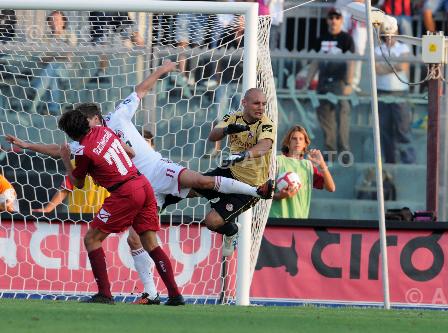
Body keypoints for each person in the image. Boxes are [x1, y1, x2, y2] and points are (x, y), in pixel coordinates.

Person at [6, 60, 273, 305]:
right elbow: (65, 148)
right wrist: (29, 145)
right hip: (142, 186)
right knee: (138, 240)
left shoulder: (115, 119)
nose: (85, 127)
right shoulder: (90, 139)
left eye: (86, 122)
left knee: (199, 182)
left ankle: (254, 192)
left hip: (153, 173)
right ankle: (156, 293)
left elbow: (140, 91)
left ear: (96, 118)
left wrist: (161, 70)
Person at [57, 109, 181, 305]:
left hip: (125, 193)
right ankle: (175, 296)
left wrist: (65, 158)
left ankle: (104, 294)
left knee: (92, 239)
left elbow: (78, 183)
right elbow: (130, 152)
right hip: (143, 183)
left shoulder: (84, 151)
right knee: (150, 243)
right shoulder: (103, 131)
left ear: (71, 134)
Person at [183, 88, 275, 256]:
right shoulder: (233, 117)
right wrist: (226, 130)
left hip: (249, 187)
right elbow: (212, 136)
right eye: (256, 103)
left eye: (263, 104)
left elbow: (265, 146)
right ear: (244, 103)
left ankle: (231, 231)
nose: (261, 108)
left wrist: (242, 156)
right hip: (228, 172)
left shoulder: (266, 124)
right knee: (186, 189)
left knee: (211, 222)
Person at [305, 8, 355, 155]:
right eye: (331, 17)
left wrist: (349, 83)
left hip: (339, 82)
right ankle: (330, 151)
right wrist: (308, 82)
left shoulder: (346, 39)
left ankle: (343, 150)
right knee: (325, 118)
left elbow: (352, 62)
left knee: (342, 114)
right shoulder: (321, 39)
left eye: (337, 17)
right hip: (323, 83)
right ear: (327, 20)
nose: (334, 20)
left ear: (341, 20)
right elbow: (315, 62)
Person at [269, 125, 335, 219]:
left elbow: (331, 188)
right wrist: (279, 196)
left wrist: (322, 164)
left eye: (301, 139)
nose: (298, 142)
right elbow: (260, 193)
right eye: (294, 139)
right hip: (276, 219)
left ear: (305, 144)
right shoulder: (276, 162)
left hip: (299, 221)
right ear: (288, 142)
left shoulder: (308, 167)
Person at [375, 33, 415, 164]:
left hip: (400, 93)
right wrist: (394, 65)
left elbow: (403, 66)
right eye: (386, 33)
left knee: (402, 129)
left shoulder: (403, 48)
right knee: (385, 130)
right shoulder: (377, 49)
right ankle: (390, 162)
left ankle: (408, 161)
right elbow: (376, 69)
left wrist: (385, 65)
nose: (389, 36)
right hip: (382, 92)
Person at [31, 10, 77, 114]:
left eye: (57, 19)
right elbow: (41, 58)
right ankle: (53, 109)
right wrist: (57, 56)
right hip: (51, 72)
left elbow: (68, 56)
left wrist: (52, 56)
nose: (54, 22)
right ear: (49, 23)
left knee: (52, 66)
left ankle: (36, 89)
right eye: (52, 20)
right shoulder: (46, 37)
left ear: (63, 22)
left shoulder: (70, 35)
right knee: (53, 77)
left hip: (67, 70)